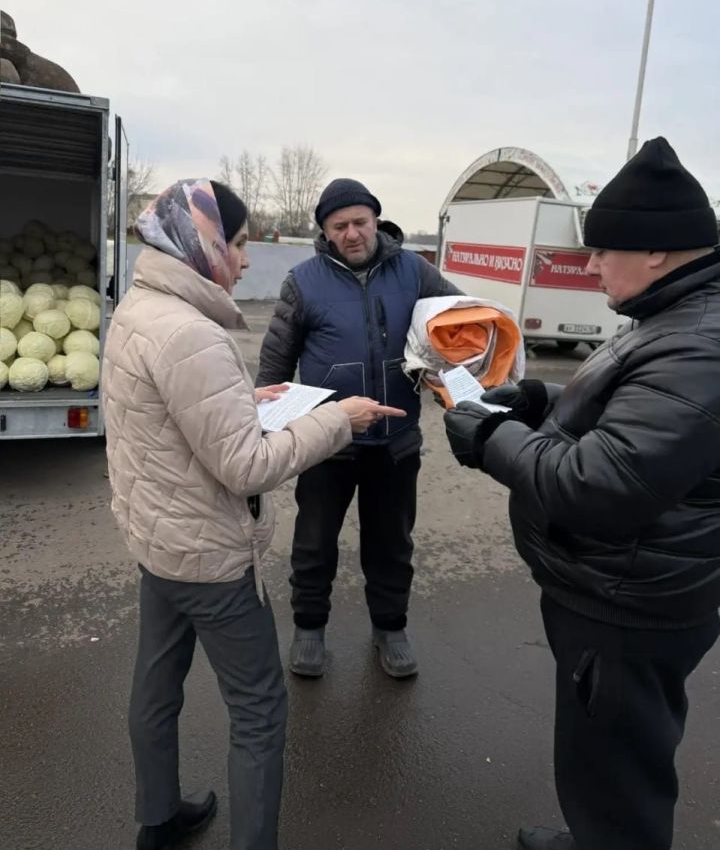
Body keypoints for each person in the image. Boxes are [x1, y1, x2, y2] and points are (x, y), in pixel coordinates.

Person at [103, 178, 404, 850]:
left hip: (159, 539)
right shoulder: (192, 334)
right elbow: (245, 467)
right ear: (202, 243)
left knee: (157, 684)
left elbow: (171, 419)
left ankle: (158, 818)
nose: (243, 260)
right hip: (211, 557)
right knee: (260, 712)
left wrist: (245, 395)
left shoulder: (140, 307)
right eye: (236, 244)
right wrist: (337, 421)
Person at [444, 138, 720, 850]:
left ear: (655, 251)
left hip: (629, 607)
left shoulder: (701, 343)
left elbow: (601, 484)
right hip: (623, 587)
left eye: (601, 251)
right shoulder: (680, 319)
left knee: (620, 771)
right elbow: (639, 410)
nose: (589, 265)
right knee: (600, 756)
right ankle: (591, 832)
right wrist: (542, 398)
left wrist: (489, 440)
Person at [256, 178, 461, 679]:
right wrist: (266, 425)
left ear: (376, 221)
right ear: (325, 232)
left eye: (360, 222)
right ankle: (309, 627)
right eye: (340, 225)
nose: (352, 233)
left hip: (396, 441)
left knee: (392, 542)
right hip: (328, 440)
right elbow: (275, 364)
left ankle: (390, 628)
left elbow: (461, 320)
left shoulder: (414, 270)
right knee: (314, 541)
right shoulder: (303, 281)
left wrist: (446, 368)